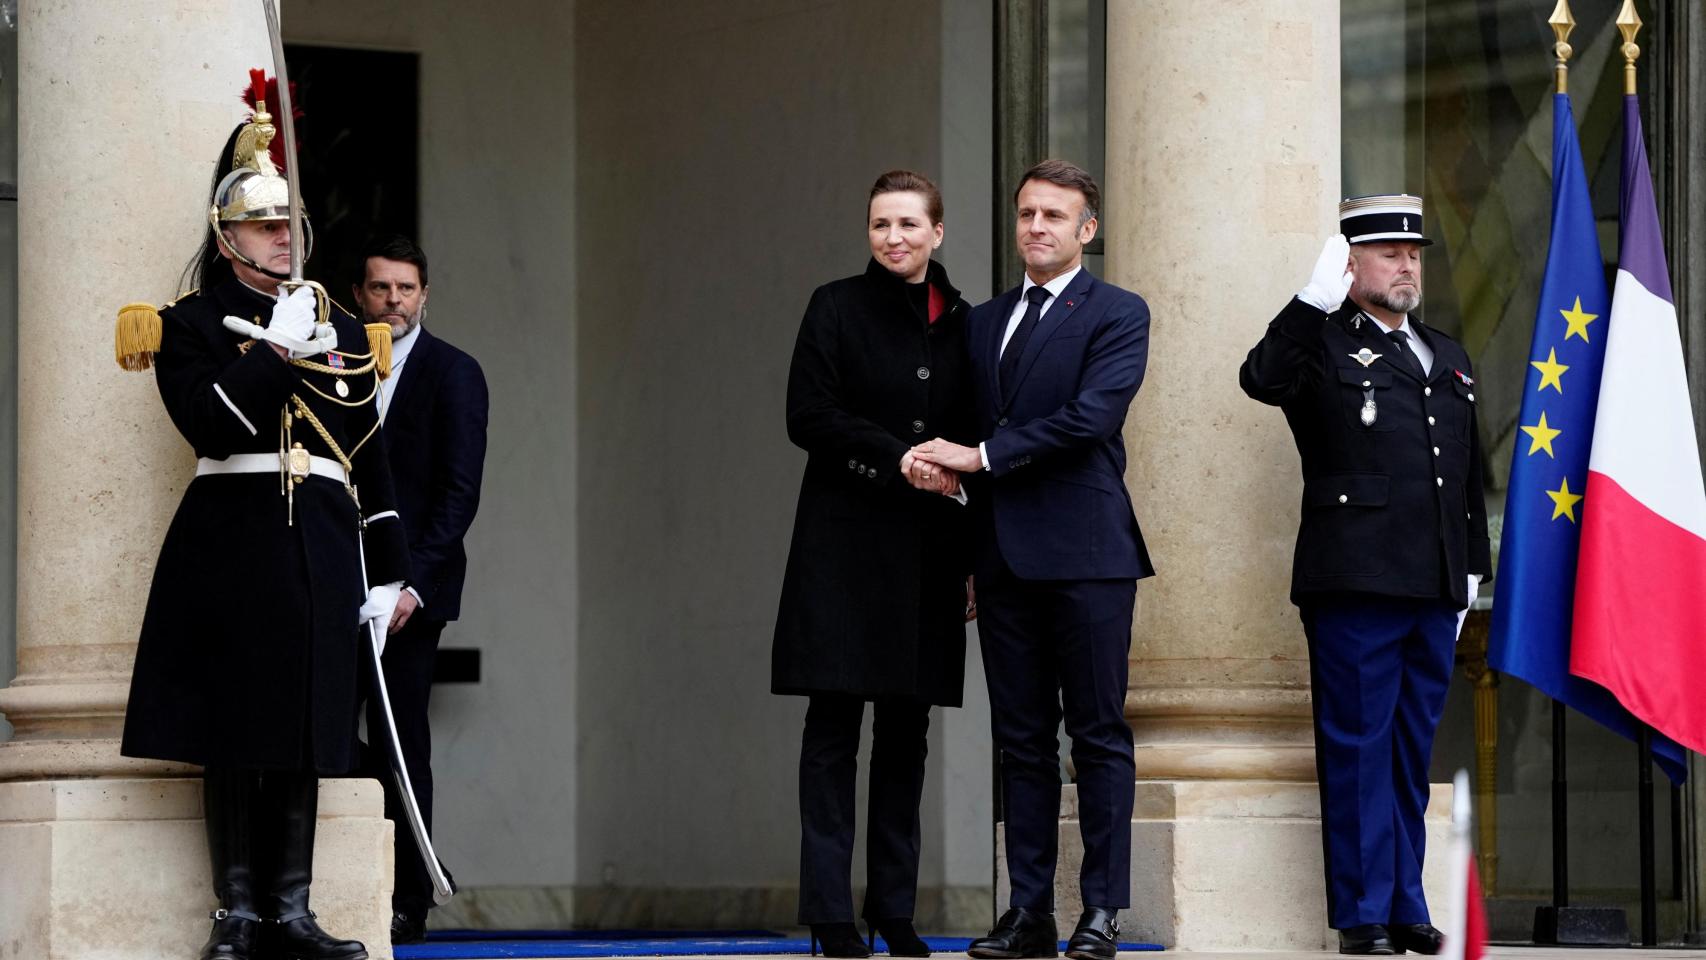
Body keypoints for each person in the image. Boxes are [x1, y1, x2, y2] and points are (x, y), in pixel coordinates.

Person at [116, 74, 408, 960]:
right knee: (237, 728)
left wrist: (391, 562)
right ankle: (237, 914)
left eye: (292, 227)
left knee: (308, 722)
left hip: (318, 536)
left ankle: (293, 910)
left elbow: (367, 450)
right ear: (227, 235)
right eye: (265, 227)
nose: (284, 241)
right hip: (233, 532)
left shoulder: (338, 323)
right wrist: (277, 349)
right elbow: (211, 421)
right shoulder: (187, 324)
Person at [908, 159, 1152, 960]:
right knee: (1020, 741)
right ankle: (1030, 914)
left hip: (1087, 554)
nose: (1037, 226)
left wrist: (979, 456)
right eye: (1027, 214)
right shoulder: (984, 322)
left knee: (1097, 736)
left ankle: (1103, 912)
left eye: (1055, 215)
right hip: (1003, 557)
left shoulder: (1118, 312)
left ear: (1087, 230)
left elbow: (1090, 419)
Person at [1237, 195, 1491, 956]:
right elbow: (1260, 378)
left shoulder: (1446, 354)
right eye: (1387, 253)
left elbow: (1466, 473)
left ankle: (1407, 899)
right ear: (1351, 267)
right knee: (1357, 750)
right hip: (1356, 581)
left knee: (1411, 752)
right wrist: (1309, 302)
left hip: (1434, 581)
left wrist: (1473, 567)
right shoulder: (1320, 343)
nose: (1406, 264)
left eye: (1414, 253)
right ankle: (1360, 913)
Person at [772, 170, 975, 959]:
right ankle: (829, 915)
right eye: (880, 225)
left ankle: (894, 911)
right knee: (832, 728)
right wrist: (897, 459)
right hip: (844, 544)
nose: (893, 237)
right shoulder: (835, 305)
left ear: (937, 232)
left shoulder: (966, 321)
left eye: (907, 224)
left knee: (907, 731)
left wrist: (970, 562)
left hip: (930, 550)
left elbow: (978, 434)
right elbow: (807, 413)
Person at [351, 234, 489, 945]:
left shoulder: (454, 373)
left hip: (410, 597)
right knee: (327, 740)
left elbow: (457, 495)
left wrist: (411, 587)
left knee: (402, 743)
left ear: (425, 295)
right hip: (336, 584)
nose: (393, 301)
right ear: (358, 296)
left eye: (406, 289)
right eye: (380, 289)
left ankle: (411, 897)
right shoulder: (335, 368)